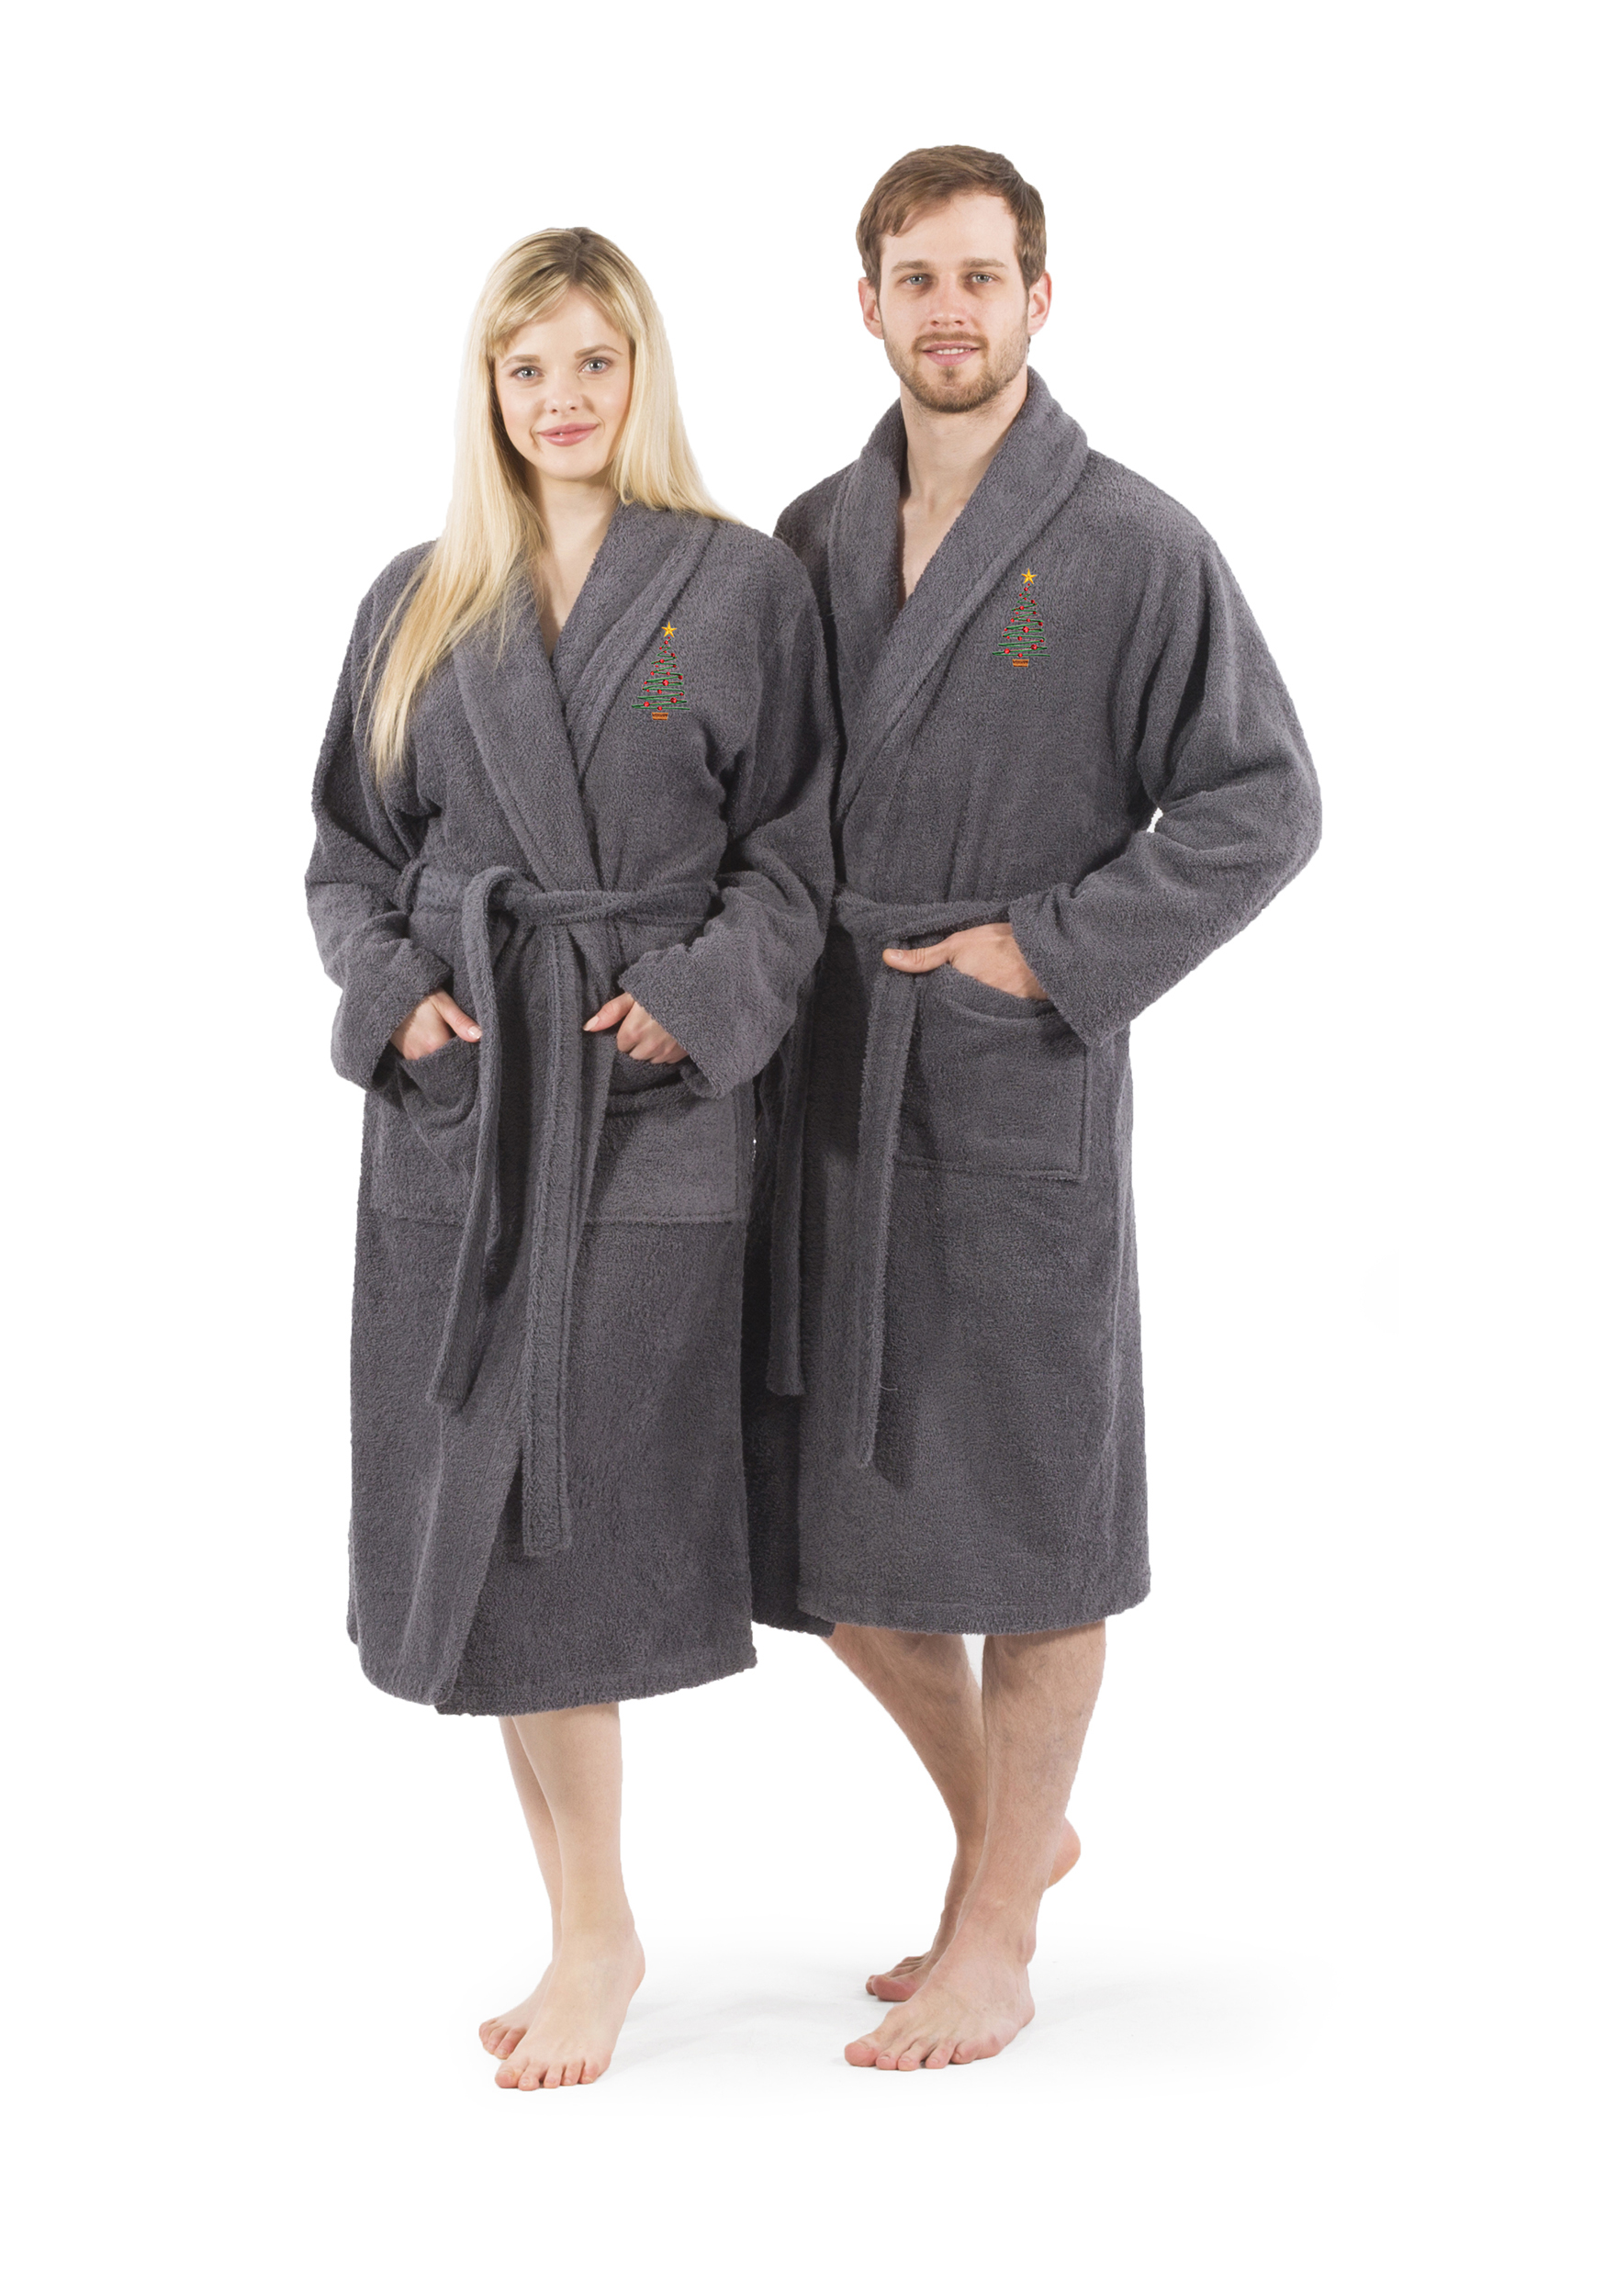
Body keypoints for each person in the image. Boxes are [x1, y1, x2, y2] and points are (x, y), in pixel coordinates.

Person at [745, 147, 1321, 2071]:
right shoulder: (814, 534)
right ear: (867, 303)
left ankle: (994, 1932)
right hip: (830, 1075)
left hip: (1010, 1082)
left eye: (980, 276)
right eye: (914, 277)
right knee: (827, 1532)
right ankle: (1020, 1830)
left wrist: (1047, 949)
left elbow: (1263, 800)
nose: (948, 311)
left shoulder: (1133, 543)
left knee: (1036, 1518)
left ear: (1037, 298)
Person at [308, 229, 833, 2088]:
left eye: (594, 362)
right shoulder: (418, 596)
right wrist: (400, 1002)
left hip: (641, 1102)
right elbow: (347, 855)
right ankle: (586, 1924)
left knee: (571, 1523)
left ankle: (596, 1933)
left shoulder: (741, 584)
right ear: (489, 388)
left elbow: (795, 857)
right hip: (466, 1113)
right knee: (480, 1527)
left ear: (641, 374)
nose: (562, 398)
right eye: (527, 367)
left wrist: (697, 997)